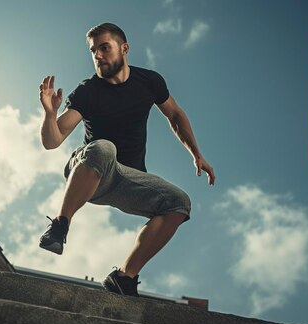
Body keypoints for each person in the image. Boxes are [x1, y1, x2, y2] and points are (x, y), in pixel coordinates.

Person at [38, 22, 215, 297]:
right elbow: (53, 139)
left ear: (124, 48)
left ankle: (124, 277)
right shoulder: (88, 91)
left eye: (104, 48)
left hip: (126, 177)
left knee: (179, 203)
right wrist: (50, 114)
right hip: (89, 170)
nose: (98, 55)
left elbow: (175, 115)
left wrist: (197, 154)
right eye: (93, 50)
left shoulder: (149, 81)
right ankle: (60, 226)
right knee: (105, 148)